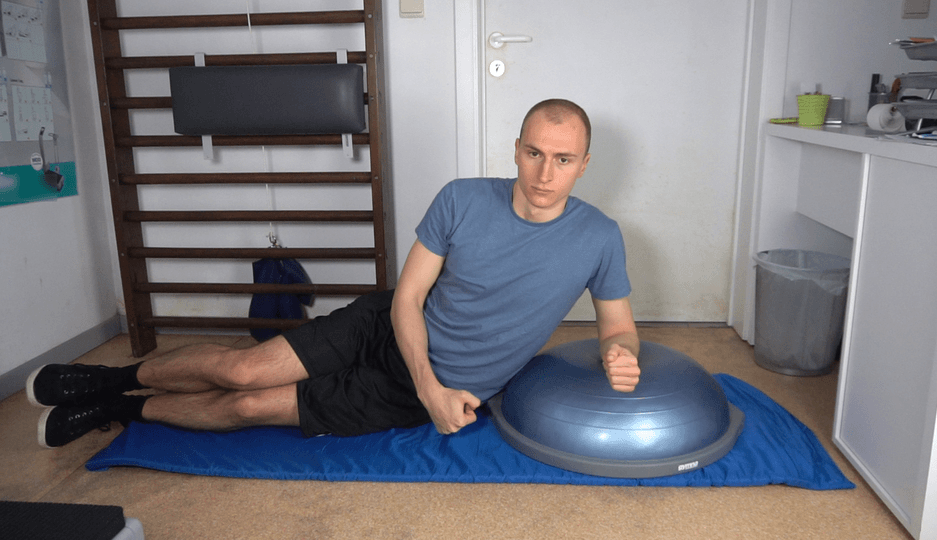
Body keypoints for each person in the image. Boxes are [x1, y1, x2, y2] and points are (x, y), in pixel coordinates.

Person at [27, 98, 641, 448]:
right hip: (389, 330)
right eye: (534, 153)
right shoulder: (461, 197)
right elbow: (408, 299)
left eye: (562, 159)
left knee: (248, 408)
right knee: (243, 369)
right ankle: (107, 379)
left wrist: (621, 351)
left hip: (408, 391)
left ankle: (123, 411)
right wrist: (430, 386)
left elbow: (619, 327)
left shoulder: (599, 238)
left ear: (583, 165)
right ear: (516, 148)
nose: (543, 173)